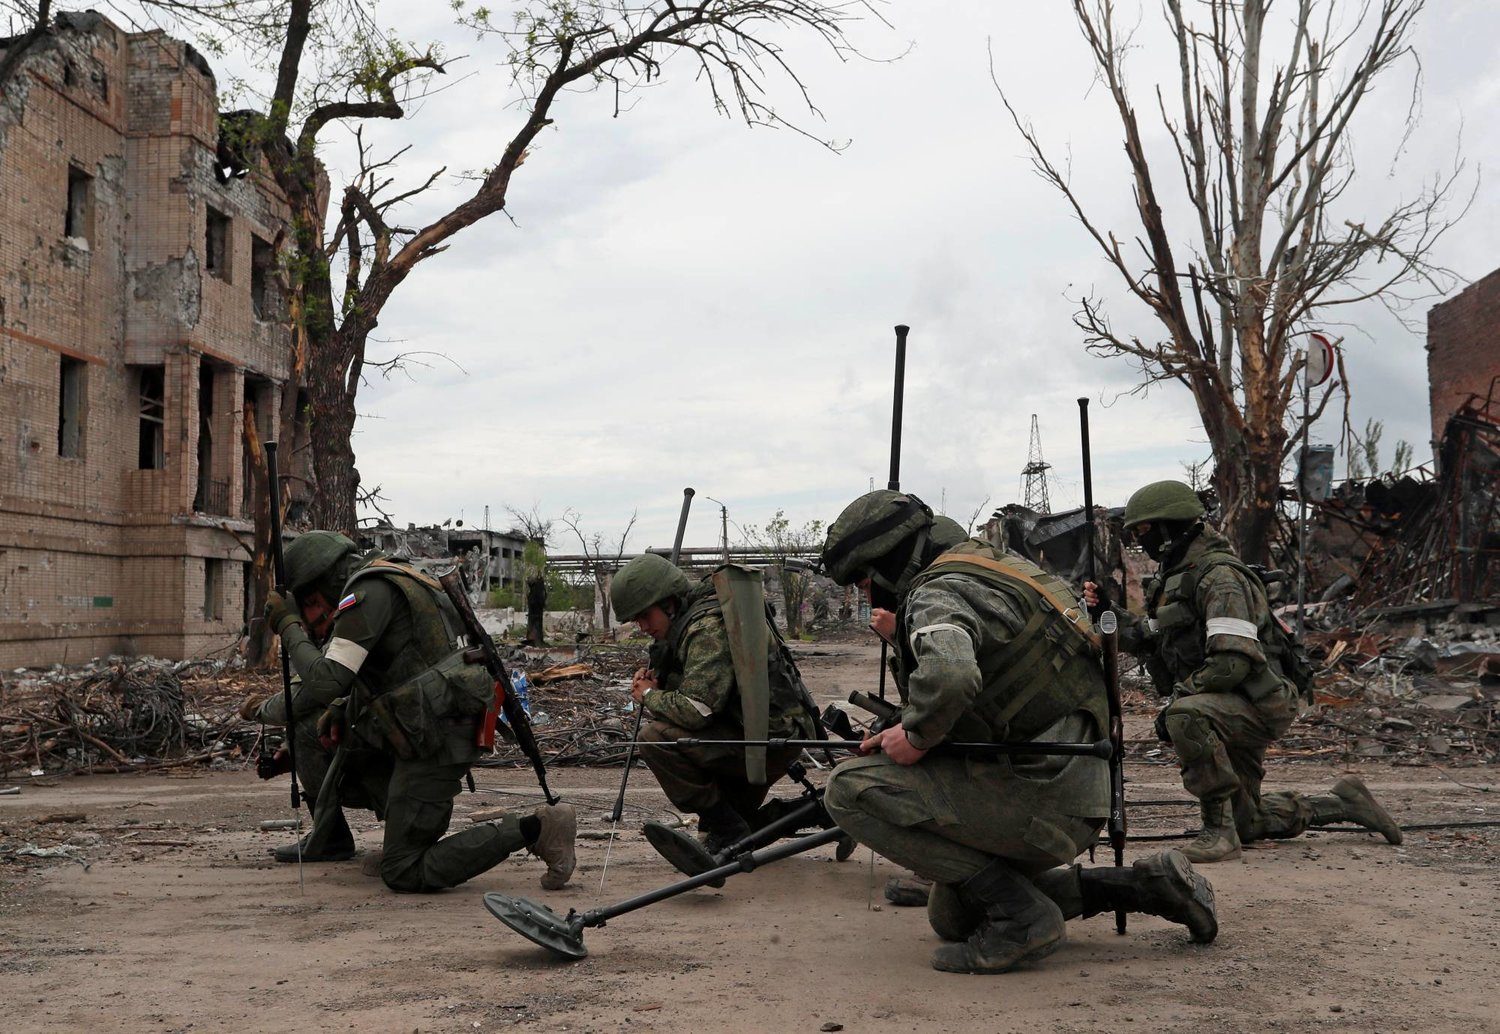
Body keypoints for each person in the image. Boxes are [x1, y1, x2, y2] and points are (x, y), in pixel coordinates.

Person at [819, 490, 1218, 974]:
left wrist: (916, 735)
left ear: (889, 562)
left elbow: (951, 677)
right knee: (954, 914)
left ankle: (1027, 921)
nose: (868, 597)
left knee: (848, 790)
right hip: (1085, 791)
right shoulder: (1004, 571)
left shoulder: (936, 594)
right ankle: (1145, 886)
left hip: (1039, 798)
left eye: (865, 581)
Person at [1083, 481, 1401, 863]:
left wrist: (1180, 700)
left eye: (1145, 530)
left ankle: (1218, 834)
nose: (1140, 540)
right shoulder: (1178, 578)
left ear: (1170, 527)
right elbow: (1150, 637)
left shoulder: (1220, 578)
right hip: (1227, 703)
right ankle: (1343, 803)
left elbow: (1232, 661)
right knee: (1248, 821)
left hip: (1255, 702)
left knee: (1185, 715)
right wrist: (1107, 613)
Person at [253, 530, 577, 893]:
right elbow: (400, 667)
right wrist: (344, 708)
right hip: (423, 724)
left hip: (435, 736)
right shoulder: (395, 575)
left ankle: (537, 828)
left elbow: (327, 681)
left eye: (308, 607)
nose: (312, 619)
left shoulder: (368, 592)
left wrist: (288, 626)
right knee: (314, 733)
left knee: (402, 871)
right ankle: (378, 835)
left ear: (317, 592)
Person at [610, 553, 815, 856]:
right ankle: (815, 812)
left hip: (765, 744)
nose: (641, 626)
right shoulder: (695, 619)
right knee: (739, 832)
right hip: (759, 735)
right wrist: (661, 681)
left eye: (645, 615)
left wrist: (650, 696)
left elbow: (697, 711)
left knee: (655, 739)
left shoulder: (705, 628)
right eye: (635, 620)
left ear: (669, 603)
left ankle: (728, 828)